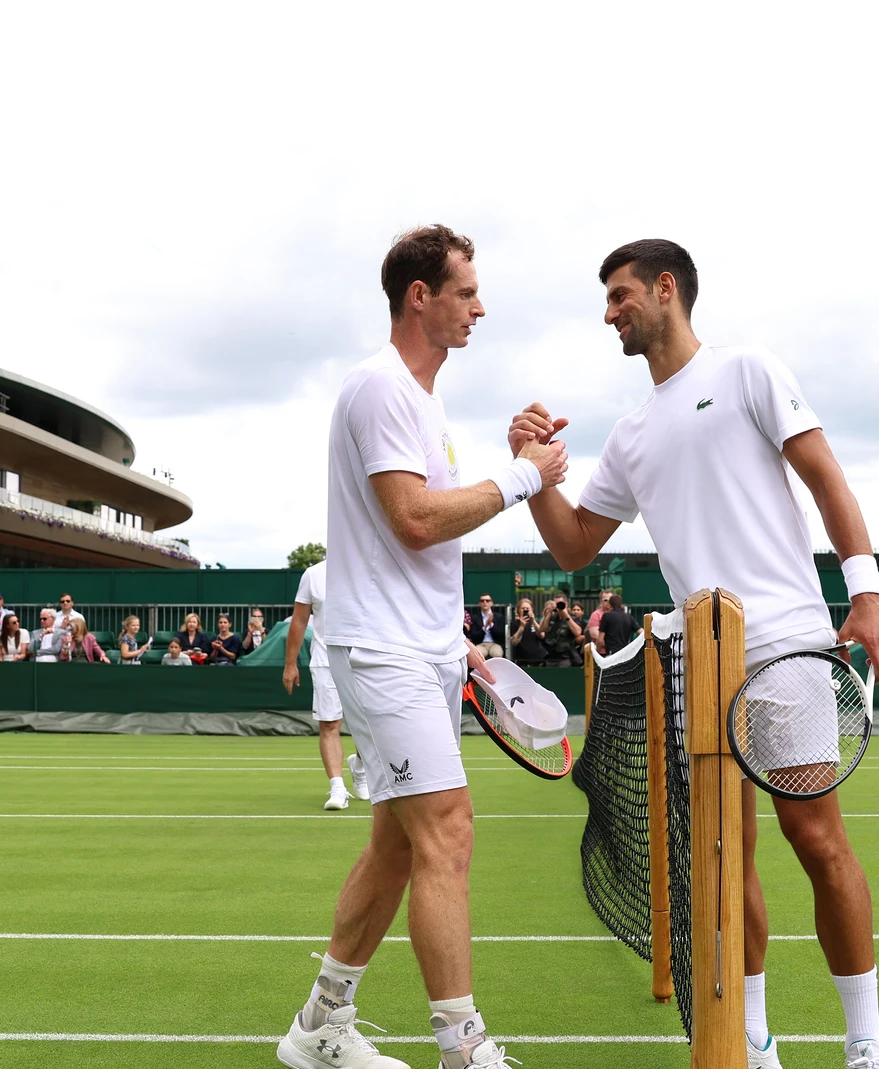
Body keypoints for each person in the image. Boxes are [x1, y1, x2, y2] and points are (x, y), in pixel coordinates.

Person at [513, 237, 879, 1069]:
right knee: (726, 855)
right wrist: (535, 475)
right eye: (606, 300)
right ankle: (752, 1039)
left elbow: (827, 478)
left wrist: (865, 592)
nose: (610, 312)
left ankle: (865, 1039)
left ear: (666, 289)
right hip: (700, 664)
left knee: (818, 841)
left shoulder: (749, 370)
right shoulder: (628, 434)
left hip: (788, 650)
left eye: (620, 295)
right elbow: (577, 545)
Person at [276, 225, 568, 1069]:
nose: (480, 305)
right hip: (383, 655)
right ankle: (464, 1047)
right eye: (466, 290)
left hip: (426, 651)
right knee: (449, 828)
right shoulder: (378, 389)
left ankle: (320, 1023)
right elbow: (412, 520)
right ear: (420, 297)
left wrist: (465, 645)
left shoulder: (422, 400)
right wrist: (523, 476)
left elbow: (426, 542)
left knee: (399, 845)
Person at [286, 559, 366, 810]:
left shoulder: (374, 568)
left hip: (368, 660)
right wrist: (290, 664)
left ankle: (361, 766)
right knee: (329, 723)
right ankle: (337, 788)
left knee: (372, 724)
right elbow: (299, 620)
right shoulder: (313, 574)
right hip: (325, 659)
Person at [541, 597, 584, 667]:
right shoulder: (553, 617)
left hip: (565, 657)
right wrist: (548, 614)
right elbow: (542, 630)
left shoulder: (572, 618)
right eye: (556, 604)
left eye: (560, 603)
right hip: (551, 656)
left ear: (566, 604)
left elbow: (577, 632)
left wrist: (566, 615)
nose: (558, 606)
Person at [506, 598, 549, 666]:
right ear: (518, 610)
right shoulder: (514, 624)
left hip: (539, 659)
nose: (525, 610)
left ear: (531, 609)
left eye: (527, 608)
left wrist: (533, 621)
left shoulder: (536, 623)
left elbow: (542, 635)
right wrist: (522, 626)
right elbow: (514, 642)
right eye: (523, 608)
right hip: (523, 661)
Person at [463, 593, 504, 659]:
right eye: (482, 601)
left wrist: (491, 625)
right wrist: (485, 627)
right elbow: (474, 636)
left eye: (487, 601)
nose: (485, 602)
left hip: (495, 644)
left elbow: (501, 635)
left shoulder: (498, 617)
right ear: (479, 603)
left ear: (491, 603)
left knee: (498, 655)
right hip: (481, 644)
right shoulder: (475, 618)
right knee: (476, 656)